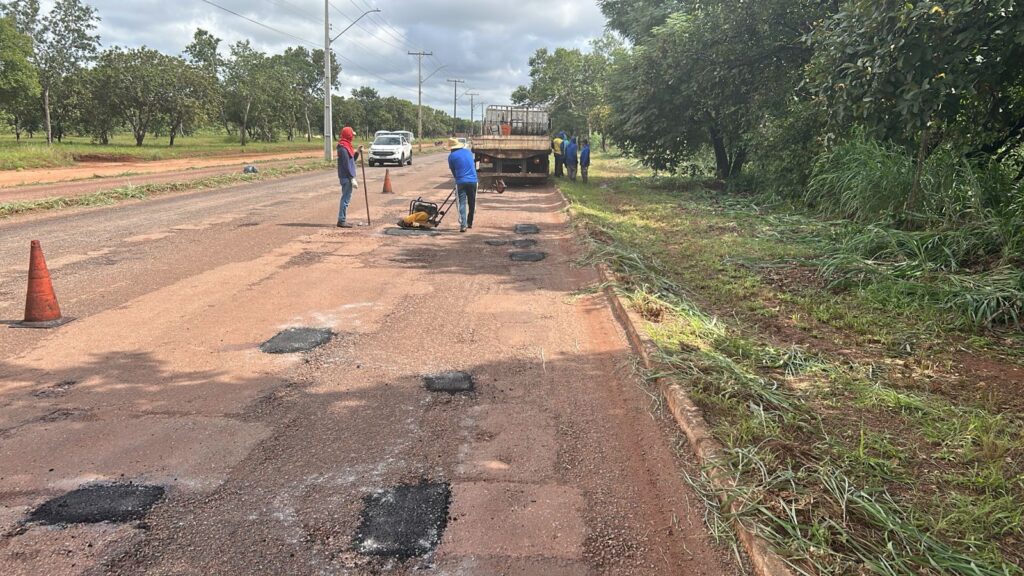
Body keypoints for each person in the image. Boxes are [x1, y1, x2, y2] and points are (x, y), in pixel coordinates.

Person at [447, 137, 478, 233]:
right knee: (472, 202)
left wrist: (457, 180)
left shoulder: (451, 156)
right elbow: (471, 165)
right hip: (473, 181)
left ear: (452, 148)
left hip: (461, 182)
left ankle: (463, 225)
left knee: (462, 203)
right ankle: (470, 222)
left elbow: (454, 171)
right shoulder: (468, 152)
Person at [336, 126, 362, 228]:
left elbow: (352, 160)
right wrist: (352, 178)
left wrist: (358, 152)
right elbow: (346, 165)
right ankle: (341, 220)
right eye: (352, 135)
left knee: (346, 198)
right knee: (345, 198)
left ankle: (342, 219)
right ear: (348, 135)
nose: (353, 137)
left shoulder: (347, 146)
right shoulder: (343, 148)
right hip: (346, 177)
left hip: (348, 176)